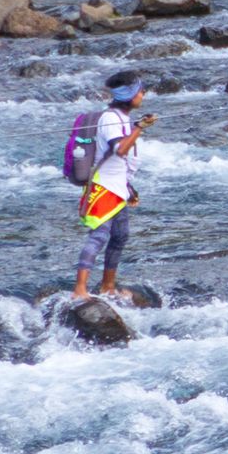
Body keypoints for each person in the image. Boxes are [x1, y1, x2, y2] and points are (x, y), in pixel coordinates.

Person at [72, 74, 148, 298]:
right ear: (129, 95)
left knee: (120, 236)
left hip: (118, 188)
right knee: (99, 236)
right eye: (140, 91)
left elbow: (122, 161)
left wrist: (129, 187)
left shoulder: (123, 118)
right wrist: (140, 128)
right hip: (103, 188)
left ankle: (108, 287)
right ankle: (79, 289)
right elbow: (121, 150)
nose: (143, 95)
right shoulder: (110, 119)